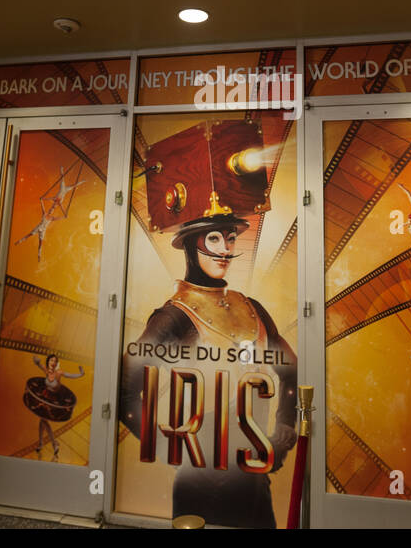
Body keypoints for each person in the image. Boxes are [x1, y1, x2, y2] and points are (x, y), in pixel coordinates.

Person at [121, 204, 297, 528]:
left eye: (230, 239)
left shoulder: (252, 307)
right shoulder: (173, 317)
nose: (225, 250)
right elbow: (126, 391)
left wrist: (283, 432)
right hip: (200, 487)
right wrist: (172, 450)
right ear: (190, 244)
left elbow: (290, 369)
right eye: (214, 239)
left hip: (255, 482)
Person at [24, 354, 84, 461]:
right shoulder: (47, 371)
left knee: (43, 421)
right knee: (42, 421)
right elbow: (39, 365)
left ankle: (51, 444)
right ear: (48, 362)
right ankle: (44, 443)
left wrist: (80, 374)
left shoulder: (58, 373)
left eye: (55, 361)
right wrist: (37, 361)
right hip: (44, 398)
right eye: (51, 360)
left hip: (55, 400)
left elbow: (70, 375)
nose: (53, 362)